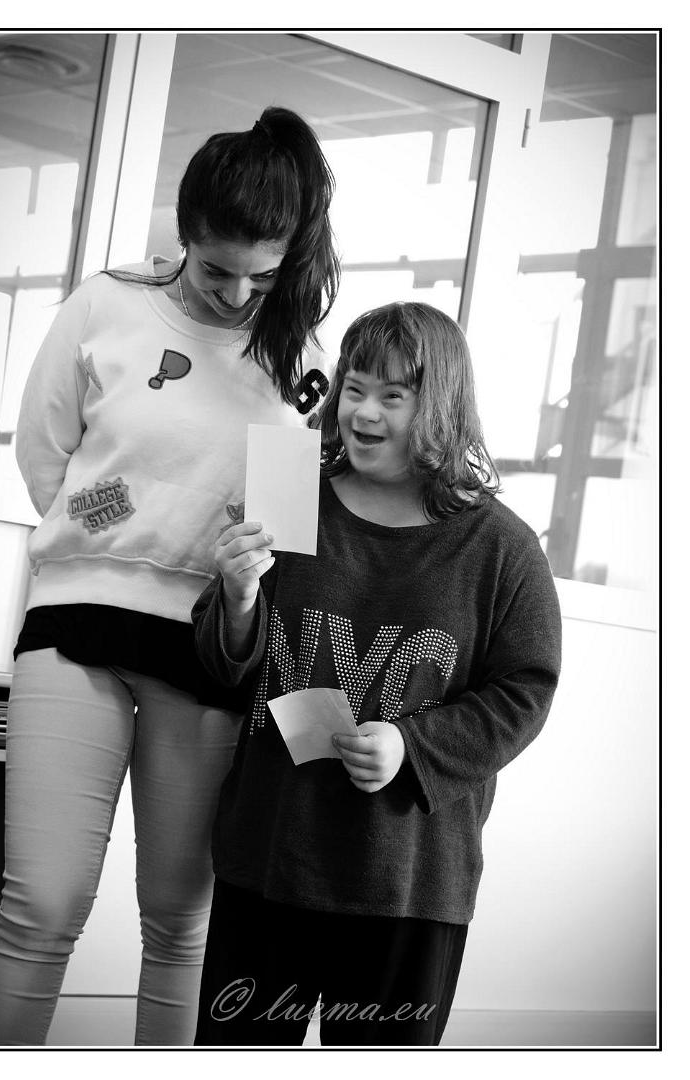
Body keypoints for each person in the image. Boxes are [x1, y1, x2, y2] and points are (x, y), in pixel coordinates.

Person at [0, 106, 341, 1047]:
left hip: (208, 652)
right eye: (216, 269)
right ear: (185, 233)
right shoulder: (107, 305)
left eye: (263, 276)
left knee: (182, 921)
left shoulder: (304, 361)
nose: (237, 294)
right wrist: (115, 524)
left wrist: (228, 577)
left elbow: (282, 535)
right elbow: (48, 460)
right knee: (40, 903)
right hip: (77, 624)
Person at [190, 301, 562, 1047]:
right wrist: (235, 597)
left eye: (393, 396)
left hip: (410, 883)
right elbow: (224, 668)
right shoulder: (291, 497)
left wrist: (411, 746)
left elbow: (526, 690)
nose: (362, 412)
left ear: (441, 407)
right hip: (269, 859)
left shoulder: (500, 548)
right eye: (354, 388)